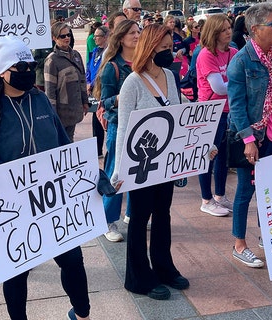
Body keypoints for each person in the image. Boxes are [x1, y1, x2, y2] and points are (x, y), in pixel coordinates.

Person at [0, 36, 91, 320]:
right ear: (2, 71)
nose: (26, 72)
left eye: (29, 65)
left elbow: (61, 143)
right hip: (14, 207)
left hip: (53, 200)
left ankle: (82, 313)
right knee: (17, 273)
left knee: (72, 260)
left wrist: (91, 173)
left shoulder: (41, 100)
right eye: (19, 67)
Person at [111, 23, 190, 301]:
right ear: (150, 47)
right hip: (141, 163)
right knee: (140, 217)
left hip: (165, 162)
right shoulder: (132, 82)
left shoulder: (170, 74)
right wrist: (119, 169)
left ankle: (164, 268)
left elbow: (182, 112)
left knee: (163, 214)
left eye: (171, 47)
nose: (171, 52)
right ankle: (139, 278)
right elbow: (122, 128)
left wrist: (203, 143)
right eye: (165, 48)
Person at [227, 3, 272, 268]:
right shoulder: (241, 62)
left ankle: (268, 234)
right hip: (251, 138)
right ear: (255, 29)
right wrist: (247, 140)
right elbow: (237, 107)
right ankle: (239, 243)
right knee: (246, 189)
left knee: (270, 188)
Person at [93, 19, 140, 239]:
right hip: (119, 126)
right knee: (115, 172)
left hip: (141, 126)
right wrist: (123, 98)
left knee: (139, 170)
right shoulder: (112, 67)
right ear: (121, 38)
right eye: (132, 32)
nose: (136, 35)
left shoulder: (142, 62)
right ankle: (107, 221)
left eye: (138, 32)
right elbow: (105, 101)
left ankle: (132, 213)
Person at [196, 14, 237, 217]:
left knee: (223, 156)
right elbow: (219, 87)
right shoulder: (206, 55)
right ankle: (206, 199)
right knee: (207, 155)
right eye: (223, 29)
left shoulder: (234, 52)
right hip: (210, 111)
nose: (228, 32)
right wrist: (237, 84)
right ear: (214, 32)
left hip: (229, 111)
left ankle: (220, 195)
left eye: (229, 27)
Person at [44, 22, 89, 141]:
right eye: (62, 36)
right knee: (62, 143)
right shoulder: (52, 60)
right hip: (61, 112)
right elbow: (50, 91)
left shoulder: (76, 55)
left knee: (70, 140)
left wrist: (85, 101)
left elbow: (82, 80)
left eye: (68, 35)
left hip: (74, 109)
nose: (67, 38)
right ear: (54, 38)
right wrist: (53, 115)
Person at [86, 26, 109, 158]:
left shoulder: (109, 52)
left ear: (105, 37)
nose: (94, 38)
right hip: (93, 89)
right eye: (94, 36)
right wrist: (88, 81)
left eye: (97, 36)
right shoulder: (95, 51)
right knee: (95, 119)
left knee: (104, 117)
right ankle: (97, 150)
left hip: (102, 88)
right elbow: (89, 67)